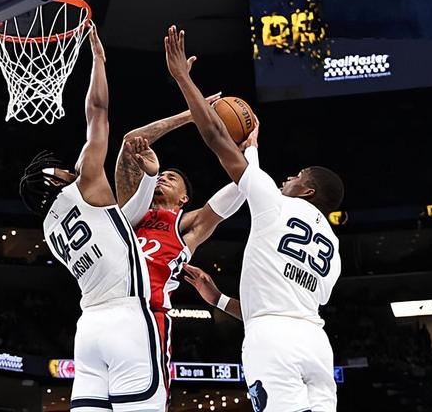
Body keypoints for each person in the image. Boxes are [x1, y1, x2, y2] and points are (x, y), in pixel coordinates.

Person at [165, 25, 345, 412]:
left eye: (298, 176)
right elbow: (279, 306)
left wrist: (182, 78)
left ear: (308, 191)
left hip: (272, 341)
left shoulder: (275, 203)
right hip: (316, 344)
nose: (289, 178)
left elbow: (216, 137)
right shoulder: (332, 247)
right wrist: (219, 299)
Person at [19, 26, 165, 411]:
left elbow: (116, 225)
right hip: (125, 319)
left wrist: (148, 180)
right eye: (59, 170)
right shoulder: (85, 183)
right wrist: (98, 60)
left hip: (88, 332)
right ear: (55, 182)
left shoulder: (49, 228)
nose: (66, 167)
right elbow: (97, 112)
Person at [114, 106, 247, 400]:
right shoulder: (131, 212)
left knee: (147, 402)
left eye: (172, 178)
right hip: (106, 310)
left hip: (148, 317)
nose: (163, 177)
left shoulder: (187, 224)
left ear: (184, 197)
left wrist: (246, 153)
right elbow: (130, 143)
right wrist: (189, 116)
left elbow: (240, 188)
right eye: (162, 174)